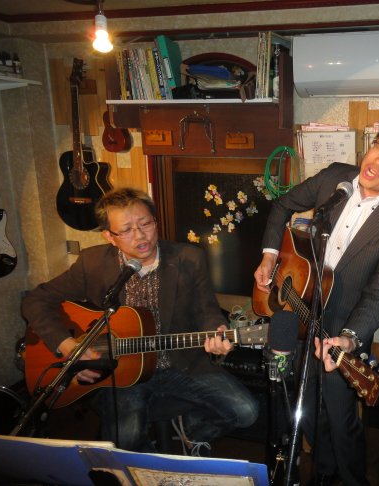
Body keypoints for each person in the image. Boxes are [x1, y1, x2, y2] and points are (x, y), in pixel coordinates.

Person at [254, 113, 379, 485]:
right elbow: (283, 204)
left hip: (344, 326)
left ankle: (352, 479)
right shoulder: (335, 178)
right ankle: (323, 471)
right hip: (295, 308)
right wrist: (270, 255)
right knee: (303, 403)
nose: (378, 161)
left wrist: (350, 338)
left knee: (340, 416)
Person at [22, 187, 259, 453]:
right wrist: (67, 346)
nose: (140, 235)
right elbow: (35, 300)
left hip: (180, 364)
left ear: (155, 222)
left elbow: (207, 310)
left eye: (145, 224)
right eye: (126, 230)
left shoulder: (188, 258)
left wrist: (217, 329)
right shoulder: (93, 263)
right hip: (121, 373)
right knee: (126, 440)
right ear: (109, 236)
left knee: (246, 411)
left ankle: (191, 432)